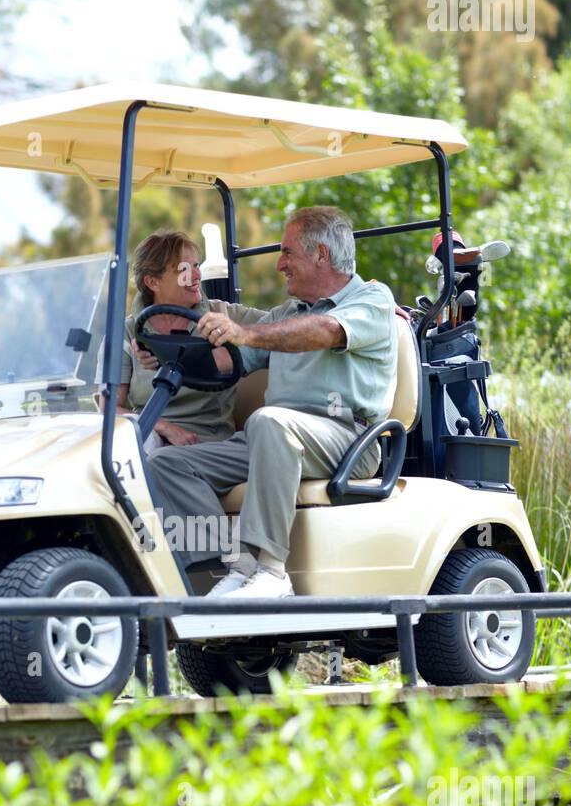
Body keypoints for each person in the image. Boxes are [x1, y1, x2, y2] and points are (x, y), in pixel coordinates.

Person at [150, 206, 398, 599]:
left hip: (348, 439)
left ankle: (271, 569)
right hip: (273, 438)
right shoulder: (287, 314)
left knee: (270, 422)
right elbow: (230, 361)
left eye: (287, 253)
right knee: (168, 464)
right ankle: (233, 569)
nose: (280, 264)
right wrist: (166, 353)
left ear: (321, 254)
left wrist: (245, 333)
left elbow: (326, 331)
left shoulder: (372, 299)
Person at [114, 230, 265, 453]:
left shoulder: (224, 314)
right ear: (153, 281)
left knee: (153, 459)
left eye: (196, 266)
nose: (196, 276)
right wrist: (163, 427)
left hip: (207, 441)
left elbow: (280, 325)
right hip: (148, 433)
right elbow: (109, 407)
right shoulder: (127, 331)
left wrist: (237, 335)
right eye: (184, 269)